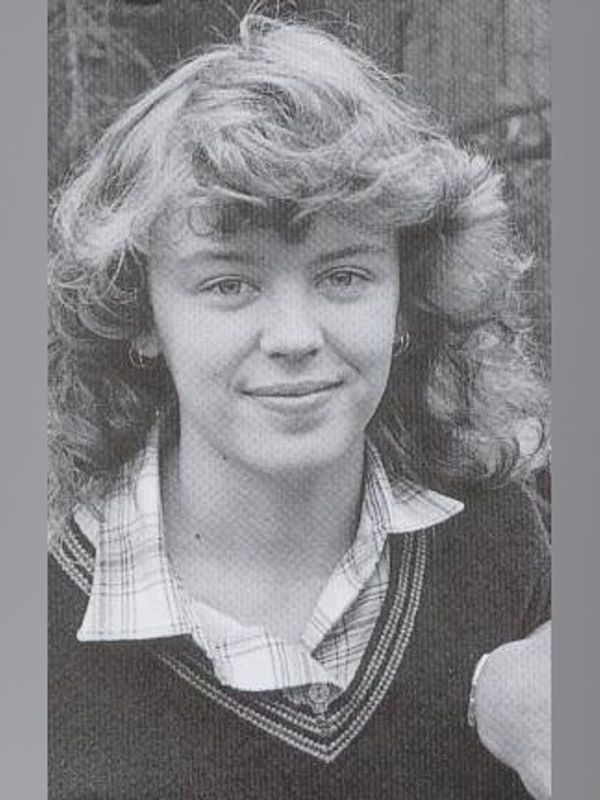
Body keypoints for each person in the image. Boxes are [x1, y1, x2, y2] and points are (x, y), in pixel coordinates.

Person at [48, 14, 551, 800]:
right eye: (228, 283)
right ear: (142, 315)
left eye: (344, 275)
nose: (294, 337)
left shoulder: (500, 541)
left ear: (407, 299)